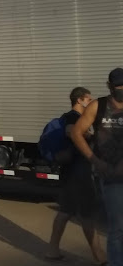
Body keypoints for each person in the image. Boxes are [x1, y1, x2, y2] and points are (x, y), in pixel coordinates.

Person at [45, 87, 107, 264]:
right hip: (79, 171)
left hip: (71, 170)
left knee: (65, 211)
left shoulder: (70, 117)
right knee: (86, 214)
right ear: (79, 100)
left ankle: (52, 251)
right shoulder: (73, 117)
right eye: (88, 99)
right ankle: (100, 257)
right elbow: (71, 132)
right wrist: (91, 136)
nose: (91, 102)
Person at [72, 68, 123, 266]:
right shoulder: (97, 106)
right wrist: (95, 160)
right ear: (109, 86)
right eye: (117, 86)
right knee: (116, 228)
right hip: (110, 176)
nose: (121, 89)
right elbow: (77, 133)